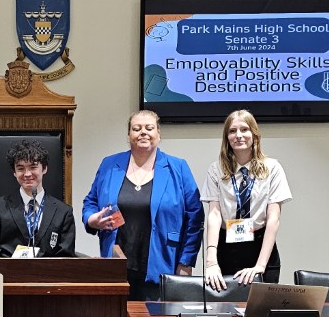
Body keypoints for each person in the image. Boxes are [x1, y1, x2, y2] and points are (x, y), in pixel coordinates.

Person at [82, 110, 203, 301]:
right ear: (129, 135)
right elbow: (91, 201)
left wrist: (186, 261)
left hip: (163, 264)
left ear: (159, 134)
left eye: (149, 128)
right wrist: (91, 219)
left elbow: (195, 217)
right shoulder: (110, 164)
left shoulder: (178, 167)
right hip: (116, 266)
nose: (143, 133)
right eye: (137, 128)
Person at [201, 110, 292, 290]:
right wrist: (211, 262)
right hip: (226, 247)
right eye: (232, 131)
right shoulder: (216, 170)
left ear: (254, 134)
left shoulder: (272, 168)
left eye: (244, 129)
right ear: (227, 137)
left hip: (260, 247)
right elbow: (214, 215)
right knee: (225, 305)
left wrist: (260, 266)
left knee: (261, 306)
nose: (238, 135)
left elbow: (273, 218)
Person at [0, 139, 76, 258]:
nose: (27, 174)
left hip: (47, 270)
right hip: (8, 268)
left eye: (33, 167)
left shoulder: (63, 212)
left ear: (44, 168)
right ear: (14, 172)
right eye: (20, 168)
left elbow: (66, 257)